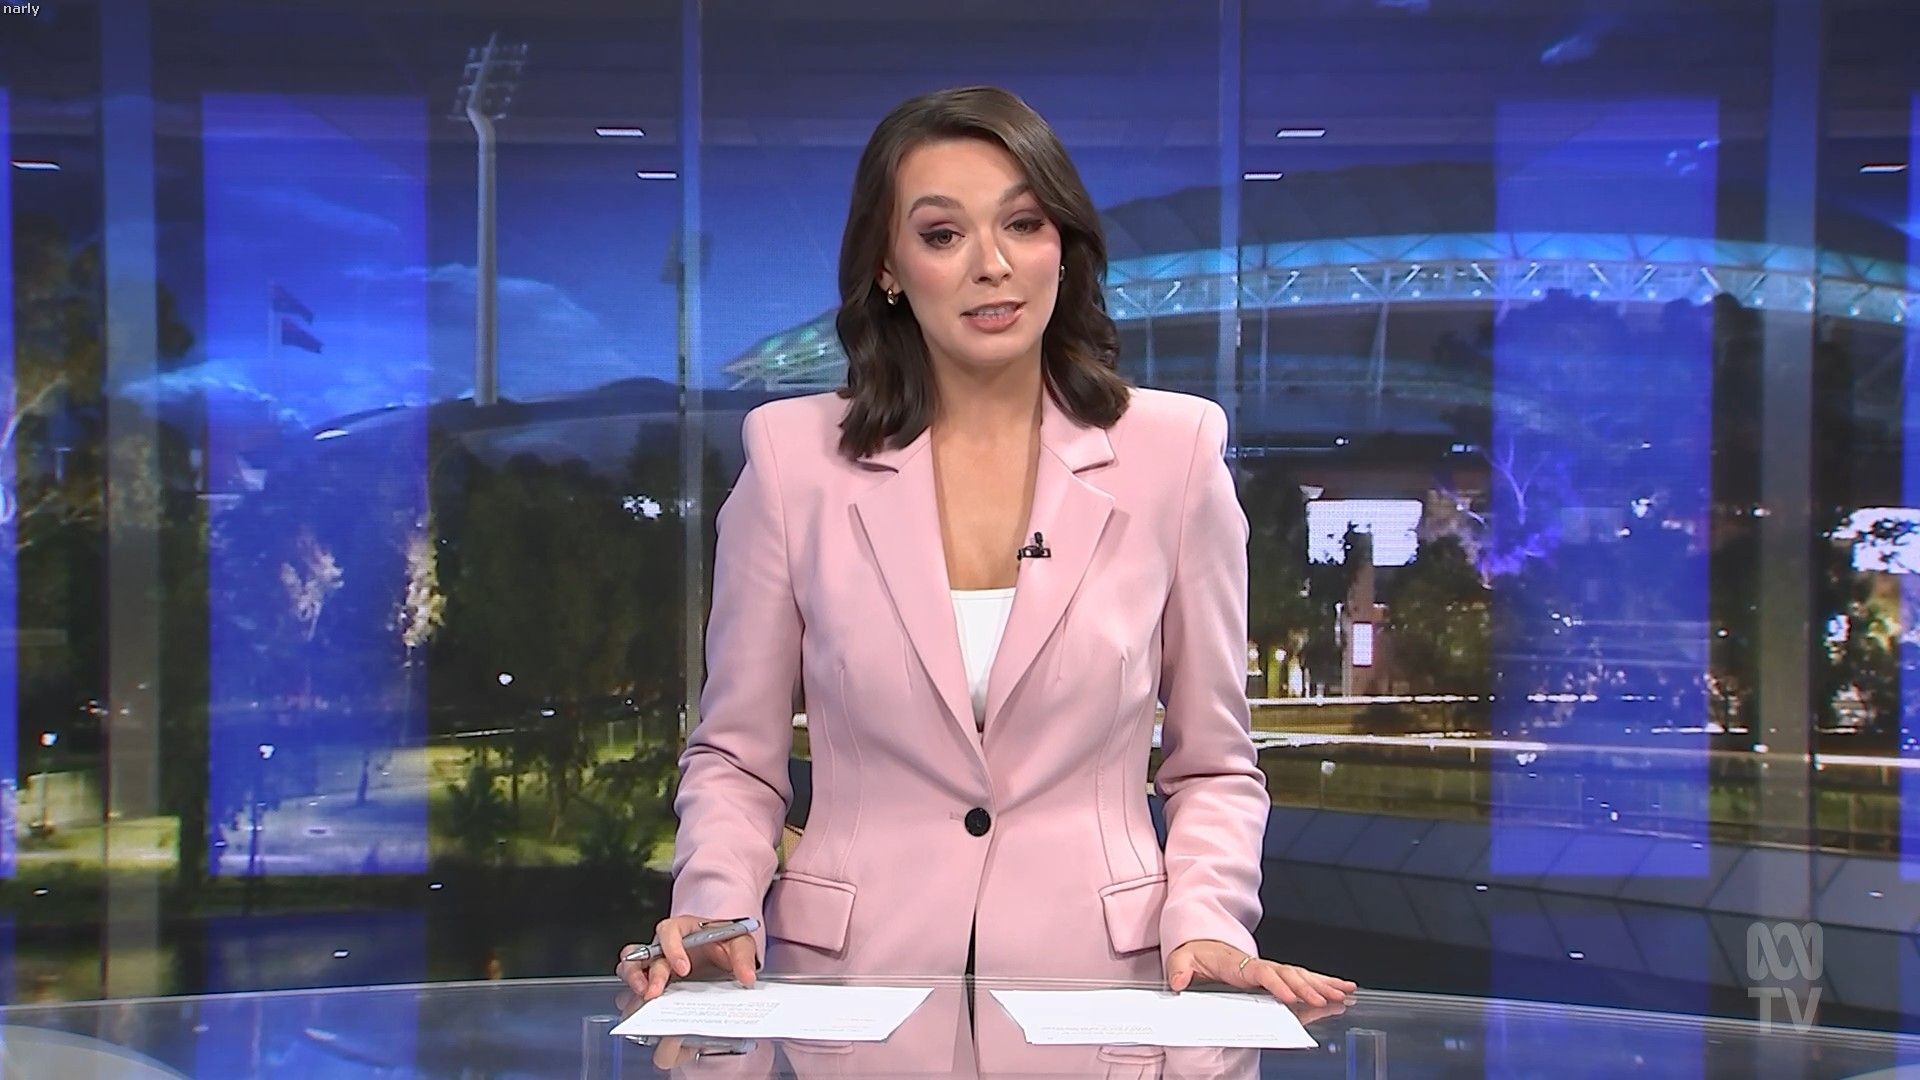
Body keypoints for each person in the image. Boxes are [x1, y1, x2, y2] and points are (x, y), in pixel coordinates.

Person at [618, 85, 1355, 1010]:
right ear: (888, 268)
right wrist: (715, 911)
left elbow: (1212, 764)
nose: (993, 265)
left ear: (1064, 246)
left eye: (1023, 224)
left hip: (1103, 992)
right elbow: (736, 757)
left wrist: (1209, 920)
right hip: (851, 995)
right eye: (942, 235)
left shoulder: (1175, 453)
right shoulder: (790, 458)